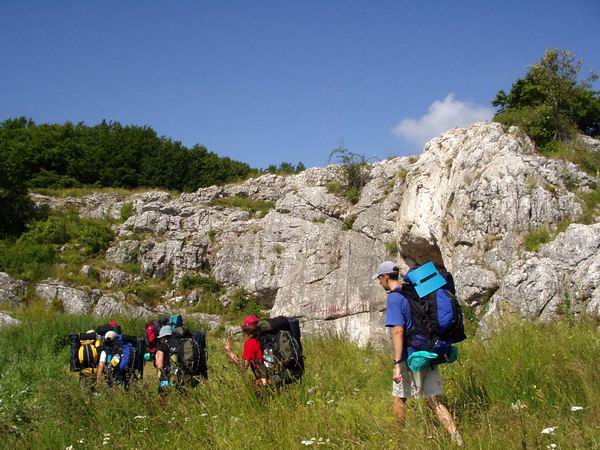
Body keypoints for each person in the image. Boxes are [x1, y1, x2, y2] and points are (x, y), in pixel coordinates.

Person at [373, 261, 462, 446]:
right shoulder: (413, 291)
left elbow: (398, 331)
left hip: (410, 356)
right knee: (432, 400)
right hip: (427, 351)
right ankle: (456, 437)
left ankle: (396, 441)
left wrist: (397, 364)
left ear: (385, 277)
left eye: (379, 279)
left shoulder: (395, 298)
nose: (379, 283)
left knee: (399, 398)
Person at [223, 315, 269, 386]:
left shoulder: (249, 344)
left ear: (246, 329)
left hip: (265, 381)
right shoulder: (265, 336)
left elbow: (243, 367)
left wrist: (229, 352)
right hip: (275, 374)